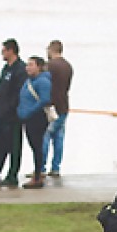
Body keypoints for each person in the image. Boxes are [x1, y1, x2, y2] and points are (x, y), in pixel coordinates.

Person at [0, 39, 26, 187]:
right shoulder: (6, 68)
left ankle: (12, 175)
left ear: (11, 51)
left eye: (4, 50)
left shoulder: (20, 69)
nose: (2, 53)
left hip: (12, 117)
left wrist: (8, 109)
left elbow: (17, 94)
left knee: (13, 146)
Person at [16, 54, 53, 189]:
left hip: (37, 118)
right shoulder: (29, 80)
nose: (28, 68)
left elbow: (44, 100)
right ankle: (37, 174)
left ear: (39, 67)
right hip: (27, 118)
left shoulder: (42, 81)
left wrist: (29, 112)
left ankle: (38, 177)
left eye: (31, 65)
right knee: (34, 146)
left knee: (37, 146)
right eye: (27, 65)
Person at [43, 40, 74, 176]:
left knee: (45, 136)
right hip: (63, 105)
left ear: (51, 50)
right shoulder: (68, 66)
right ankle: (56, 167)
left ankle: (41, 167)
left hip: (51, 106)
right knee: (59, 137)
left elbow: (44, 85)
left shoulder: (49, 66)